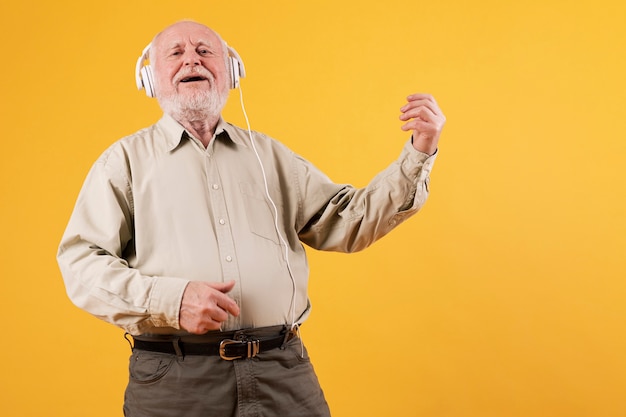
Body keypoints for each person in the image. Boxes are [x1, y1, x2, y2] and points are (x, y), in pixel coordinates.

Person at [57, 20, 445, 417]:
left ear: (231, 72)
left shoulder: (270, 156)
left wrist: (419, 151)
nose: (192, 58)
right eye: (176, 53)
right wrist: (170, 301)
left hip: (283, 371)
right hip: (176, 378)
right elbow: (80, 263)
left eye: (206, 51)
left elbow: (348, 221)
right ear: (150, 78)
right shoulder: (122, 162)